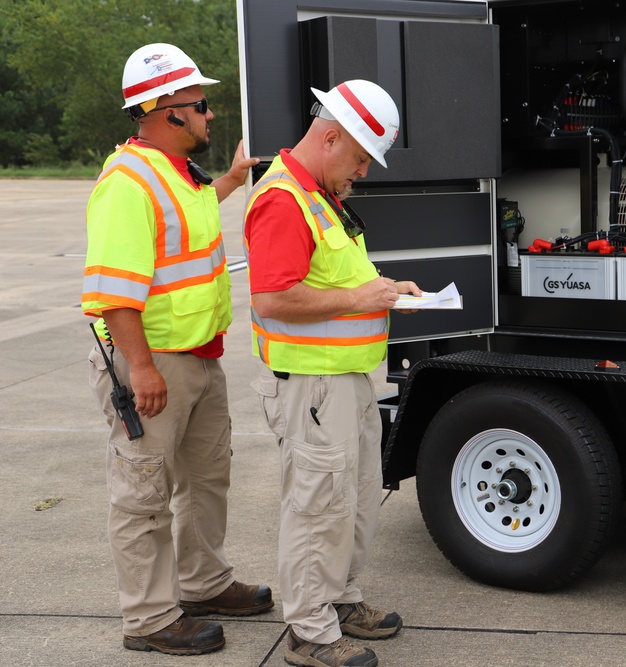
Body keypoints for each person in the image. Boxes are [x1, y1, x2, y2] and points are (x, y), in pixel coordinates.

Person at [82, 42, 272, 656]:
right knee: (144, 495)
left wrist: (234, 182)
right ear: (167, 109)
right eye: (202, 104)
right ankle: (150, 617)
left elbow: (188, 217)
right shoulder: (126, 182)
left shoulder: (177, 174)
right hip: (155, 363)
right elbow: (113, 292)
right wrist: (140, 368)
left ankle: (204, 583)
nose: (210, 115)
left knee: (207, 478)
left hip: (197, 357)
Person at [243, 80, 419, 667]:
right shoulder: (283, 200)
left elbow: (333, 282)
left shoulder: (316, 196)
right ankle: (310, 634)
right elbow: (272, 299)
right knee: (319, 510)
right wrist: (362, 297)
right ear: (331, 135)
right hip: (312, 386)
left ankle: (339, 602)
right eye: (361, 156)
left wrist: (388, 291)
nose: (363, 170)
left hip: (342, 380)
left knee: (356, 499)